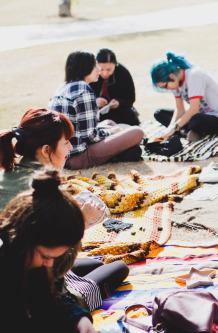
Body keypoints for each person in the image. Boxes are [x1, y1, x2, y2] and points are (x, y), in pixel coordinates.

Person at [0, 108, 129, 314]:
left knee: (98, 263)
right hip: (35, 292)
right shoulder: (45, 192)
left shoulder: (7, 176)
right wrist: (81, 224)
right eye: (66, 142)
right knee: (119, 267)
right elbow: (56, 265)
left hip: (11, 274)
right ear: (46, 149)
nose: (70, 147)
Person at [0, 169, 94, 332]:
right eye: (46, 256)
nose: (49, 263)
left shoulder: (30, 261)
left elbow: (51, 299)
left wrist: (81, 320)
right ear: (25, 239)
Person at [48, 50, 144, 170]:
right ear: (86, 68)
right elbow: (91, 136)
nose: (99, 70)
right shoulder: (83, 89)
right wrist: (113, 132)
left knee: (109, 123)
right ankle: (123, 151)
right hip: (77, 155)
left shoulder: (64, 87)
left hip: (63, 152)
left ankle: (123, 151)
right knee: (137, 132)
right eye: (95, 66)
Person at [150, 51, 218, 141]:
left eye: (165, 86)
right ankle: (186, 131)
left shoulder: (194, 75)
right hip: (199, 114)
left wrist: (173, 128)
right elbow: (180, 110)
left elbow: (194, 109)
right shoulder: (175, 83)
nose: (167, 89)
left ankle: (186, 131)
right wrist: (169, 129)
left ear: (172, 76)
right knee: (159, 113)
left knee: (196, 120)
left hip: (217, 117)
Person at [89, 48, 140, 126]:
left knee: (130, 115)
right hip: (97, 113)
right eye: (101, 69)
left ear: (115, 65)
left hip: (118, 111)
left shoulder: (123, 72)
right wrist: (95, 101)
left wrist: (119, 103)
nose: (105, 73)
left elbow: (130, 99)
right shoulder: (91, 73)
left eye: (109, 69)